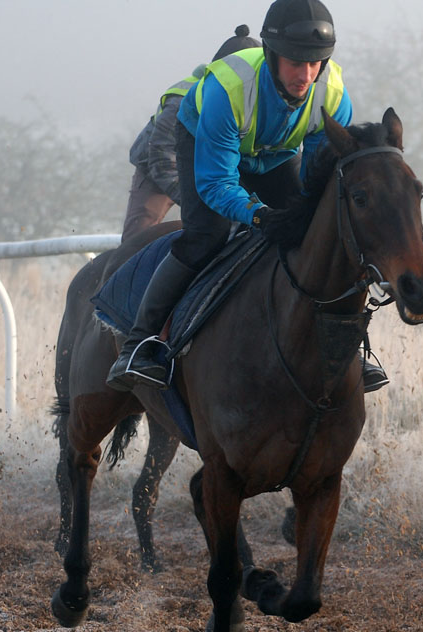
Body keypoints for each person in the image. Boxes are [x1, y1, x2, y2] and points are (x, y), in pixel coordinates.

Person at [107, 0, 390, 393]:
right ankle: (138, 344)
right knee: (206, 236)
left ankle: (349, 347)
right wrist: (257, 215)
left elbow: (318, 179)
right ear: (271, 55)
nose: (305, 75)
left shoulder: (334, 95)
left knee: (314, 234)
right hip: (203, 143)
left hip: (272, 155)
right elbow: (216, 184)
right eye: (295, 62)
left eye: (315, 64)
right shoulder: (230, 91)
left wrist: (305, 217)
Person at [121, 25, 261, 242]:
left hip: (214, 160)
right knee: (138, 237)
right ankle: (120, 270)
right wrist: (197, 201)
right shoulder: (181, 100)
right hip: (159, 166)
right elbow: (161, 160)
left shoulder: (257, 95)